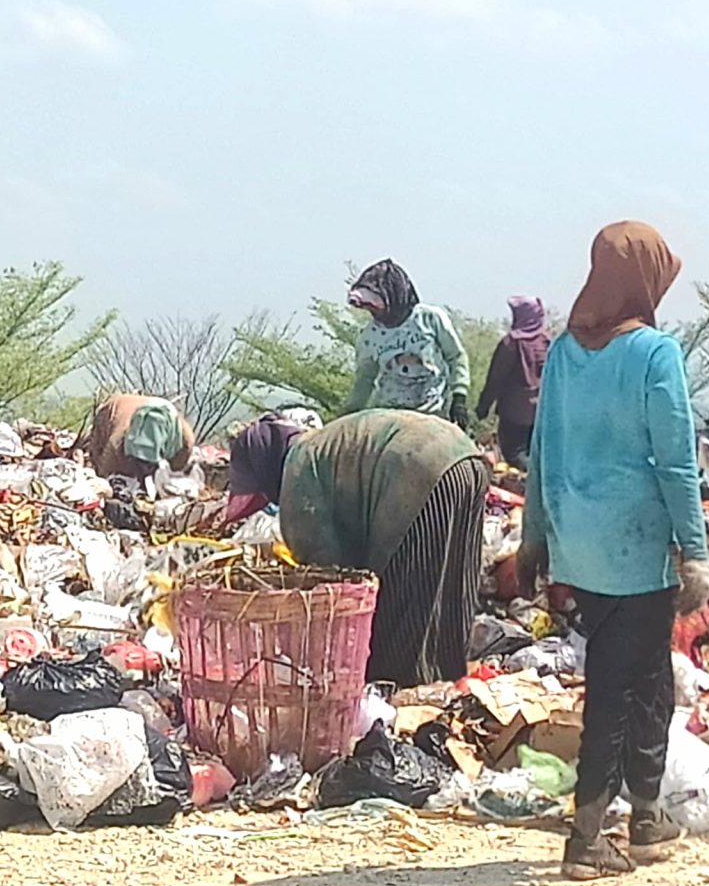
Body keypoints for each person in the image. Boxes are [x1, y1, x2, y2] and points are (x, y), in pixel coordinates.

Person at [518, 221, 709, 880]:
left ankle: (648, 815)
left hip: (581, 547)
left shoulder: (565, 351)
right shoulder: (656, 354)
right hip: (637, 549)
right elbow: (676, 462)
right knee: (621, 688)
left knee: (647, 678)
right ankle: (588, 833)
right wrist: (696, 549)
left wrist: (535, 539)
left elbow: (541, 451)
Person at [222, 407, 485, 687]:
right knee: (453, 587)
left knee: (402, 605)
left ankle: (400, 693)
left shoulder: (297, 474)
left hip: (417, 469)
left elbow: (332, 578)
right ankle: (452, 682)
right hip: (465, 455)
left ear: (264, 470)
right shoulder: (321, 446)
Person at [343, 259, 471, 423]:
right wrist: (349, 414)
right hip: (389, 418)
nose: (372, 311)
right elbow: (365, 380)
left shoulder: (429, 318)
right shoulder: (369, 337)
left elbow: (455, 356)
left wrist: (459, 397)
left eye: (375, 305)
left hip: (433, 414)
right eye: (368, 306)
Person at [476, 294, 552, 466]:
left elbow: (495, 380)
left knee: (514, 455)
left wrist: (483, 407)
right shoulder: (547, 342)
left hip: (514, 414)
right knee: (537, 457)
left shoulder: (510, 344)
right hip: (542, 413)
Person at [81, 393, 191, 479]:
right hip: (113, 413)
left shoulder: (184, 442)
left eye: (148, 462)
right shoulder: (117, 444)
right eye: (141, 460)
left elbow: (174, 472)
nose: (145, 467)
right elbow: (102, 472)